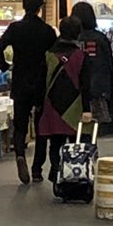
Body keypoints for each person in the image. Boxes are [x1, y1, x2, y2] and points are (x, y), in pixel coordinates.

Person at [0, 0, 56, 184]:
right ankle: (37, 170)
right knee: (41, 127)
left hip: (20, 81)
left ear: (24, 5)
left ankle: (20, 154)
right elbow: (54, 57)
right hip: (41, 83)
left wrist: (5, 67)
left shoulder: (15, 28)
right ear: (40, 7)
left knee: (20, 125)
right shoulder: (47, 31)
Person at [36, 16, 87, 185]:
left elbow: (41, 80)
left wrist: (39, 103)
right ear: (78, 33)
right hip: (74, 105)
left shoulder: (48, 55)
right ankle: (71, 173)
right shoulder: (81, 56)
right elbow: (85, 83)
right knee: (74, 143)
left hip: (52, 104)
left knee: (55, 141)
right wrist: (87, 108)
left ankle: (55, 167)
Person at [73, 1, 113, 125]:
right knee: (96, 125)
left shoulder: (74, 39)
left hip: (76, 90)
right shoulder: (101, 38)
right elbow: (109, 65)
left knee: (76, 125)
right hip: (98, 88)